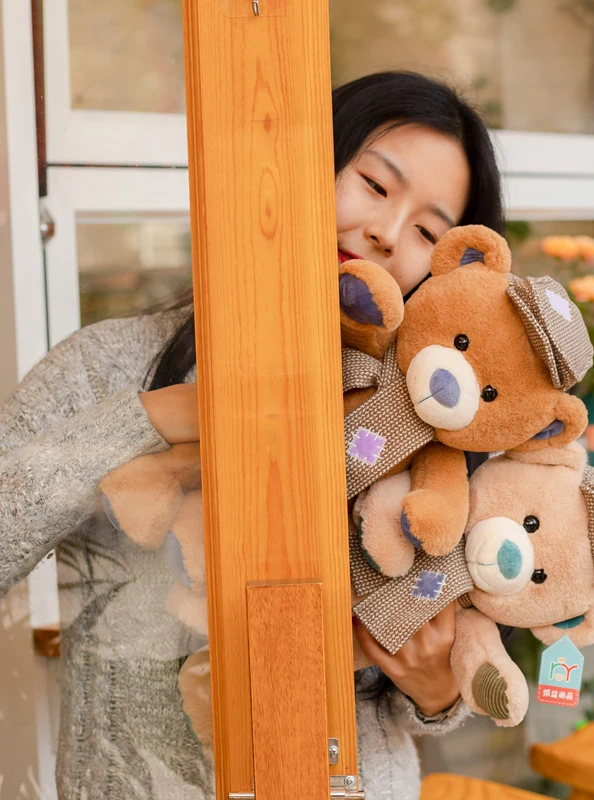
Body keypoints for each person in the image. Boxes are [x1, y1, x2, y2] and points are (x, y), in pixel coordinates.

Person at [0, 71, 504, 800]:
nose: (387, 234)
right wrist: (153, 418)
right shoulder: (105, 365)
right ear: (296, 166)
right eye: (373, 184)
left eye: (428, 231)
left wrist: (436, 692)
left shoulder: (419, 429)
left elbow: (433, 678)